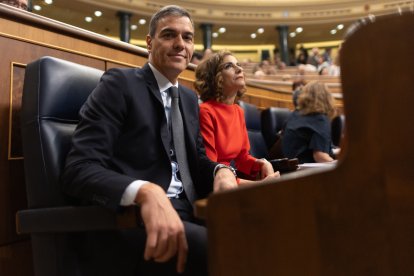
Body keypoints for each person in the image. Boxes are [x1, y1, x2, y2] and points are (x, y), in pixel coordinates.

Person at [62, 5, 237, 276]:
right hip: (132, 222)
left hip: (193, 213)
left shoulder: (190, 99)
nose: (180, 44)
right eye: (169, 35)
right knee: (236, 250)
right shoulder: (119, 84)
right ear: (149, 42)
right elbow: (79, 169)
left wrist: (221, 171)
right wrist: (146, 192)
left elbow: (197, 161)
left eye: (187, 37)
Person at [195, 50, 280, 184]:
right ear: (216, 77)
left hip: (232, 180)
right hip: (216, 183)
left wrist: (262, 164)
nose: (239, 68)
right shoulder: (205, 111)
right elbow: (210, 168)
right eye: (229, 66)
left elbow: (243, 159)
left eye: (238, 64)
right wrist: (258, 186)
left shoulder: (238, 111)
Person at [281, 81, 338, 163]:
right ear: (326, 99)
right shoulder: (320, 119)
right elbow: (320, 157)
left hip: (291, 170)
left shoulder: (293, 115)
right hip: (308, 172)